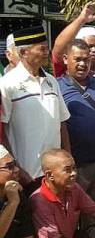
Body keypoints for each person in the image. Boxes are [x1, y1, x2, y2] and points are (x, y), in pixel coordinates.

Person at [0, 25, 71, 180]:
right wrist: (16, 168)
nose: (47, 53)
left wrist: (68, 157)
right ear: (24, 52)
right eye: (42, 49)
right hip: (27, 173)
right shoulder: (7, 84)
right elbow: (2, 131)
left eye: (47, 48)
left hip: (56, 172)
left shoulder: (51, 81)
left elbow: (62, 123)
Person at [58, 40, 95, 212]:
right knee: (74, 212)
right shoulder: (57, 86)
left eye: (86, 59)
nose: (83, 64)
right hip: (76, 163)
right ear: (66, 59)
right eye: (78, 59)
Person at [51, 1, 95, 77]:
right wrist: (82, 19)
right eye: (89, 46)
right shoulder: (65, 67)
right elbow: (59, 48)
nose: (94, 50)